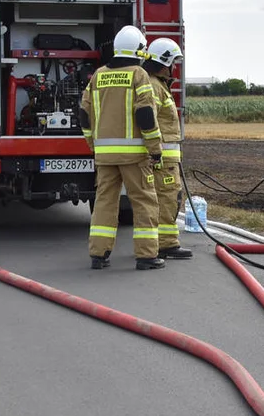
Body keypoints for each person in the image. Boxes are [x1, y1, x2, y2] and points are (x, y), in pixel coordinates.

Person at [79, 26, 165, 270]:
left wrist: (92, 144)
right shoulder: (139, 75)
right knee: (144, 202)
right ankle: (147, 256)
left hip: (105, 156)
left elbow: (84, 114)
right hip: (135, 156)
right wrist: (155, 148)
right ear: (139, 49)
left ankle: (98, 255)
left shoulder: (98, 75)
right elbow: (146, 114)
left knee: (104, 203)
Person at [142, 37, 193, 260]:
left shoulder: (159, 85)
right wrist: (157, 152)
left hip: (166, 158)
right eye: (173, 62)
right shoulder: (154, 86)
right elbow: (149, 119)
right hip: (162, 159)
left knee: (169, 198)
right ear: (164, 62)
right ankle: (166, 244)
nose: (174, 68)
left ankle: (166, 243)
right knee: (166, 199)